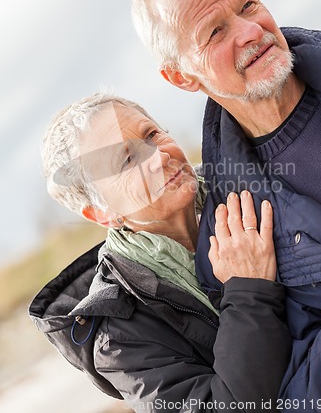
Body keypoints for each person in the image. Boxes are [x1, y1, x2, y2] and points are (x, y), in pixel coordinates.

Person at [131, 0, 321, 407]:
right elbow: (300, 398)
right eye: (215, 31)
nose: (250, 31)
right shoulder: (232, 242)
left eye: (248, 5)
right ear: (182, 77)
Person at [29, 93, 290, 413]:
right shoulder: (120, 338)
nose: (158, 157)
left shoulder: (252, 184)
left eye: (152, 134)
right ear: (102, 213)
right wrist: (249, 291)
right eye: (126, 160)